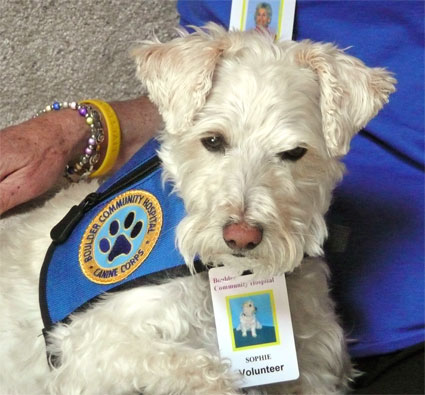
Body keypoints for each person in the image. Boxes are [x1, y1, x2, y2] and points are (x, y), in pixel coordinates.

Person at [0, 1, 423, 393]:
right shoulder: (138, 247)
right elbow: (85, 355)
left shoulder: (307, 293)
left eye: (290, 153)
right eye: (215, 142)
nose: (242, 223)